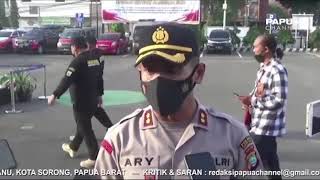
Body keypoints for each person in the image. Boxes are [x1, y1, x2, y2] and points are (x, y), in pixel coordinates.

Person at [94, 23, 265, 179]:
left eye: (171, 69)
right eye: (150, 69)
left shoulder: (234, 136)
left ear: (198, 73)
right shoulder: (119, 138)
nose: (158, 79)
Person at [238, 34, 288, 180]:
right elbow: (259, 93)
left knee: (244, 163)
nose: (253, 49)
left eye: (255, 46)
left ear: (265, 49)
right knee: (271, 168)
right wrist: (248, 101)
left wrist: (253, 101)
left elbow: (279, 100)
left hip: (266, 128)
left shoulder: (277, 70)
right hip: (258, 124)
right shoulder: (263, 69)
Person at [48, 36, 102, 169]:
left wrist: (55, 95)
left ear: (75, 48)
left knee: (85, 128)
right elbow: (99, 78)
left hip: (81, 101)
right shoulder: (94, 59)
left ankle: (95, 157)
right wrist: (100, 95)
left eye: (71, 46)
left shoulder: (77, 61)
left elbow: (66, 80)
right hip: (92, 99)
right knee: (82, 125)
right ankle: (73, 147)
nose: (71, 49)